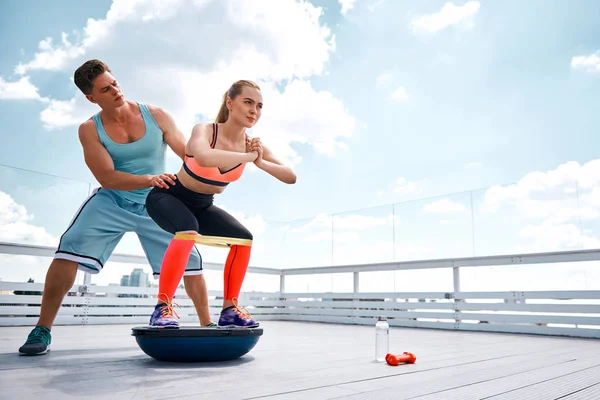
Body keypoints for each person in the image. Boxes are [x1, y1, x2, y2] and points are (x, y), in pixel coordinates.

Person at [18, 59, 214, 356]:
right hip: (112, 201)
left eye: (115, 84)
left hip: (156, 202)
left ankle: (208, 325)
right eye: (105, 89)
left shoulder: (157, 115)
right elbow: (107, 177)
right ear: (91, 97)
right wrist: (150, 178)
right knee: (67, 249)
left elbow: (190, 155)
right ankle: (42, 329)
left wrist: (222, 154)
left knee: (190, 258)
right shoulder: (89, 130)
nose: (115, 91)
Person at [145, 79, 296, 328]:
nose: (254, 111)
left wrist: (260, 162)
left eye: (259, 106)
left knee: (243, 238)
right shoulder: (205, 130)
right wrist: (248, 157)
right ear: (230, 103)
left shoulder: (253, 145)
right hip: (169, 196)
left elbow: (290, 176)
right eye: (248, 102)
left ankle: (230, 310)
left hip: (202, 205)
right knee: (187, 230)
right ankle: (162, 308)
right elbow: (203, 157)